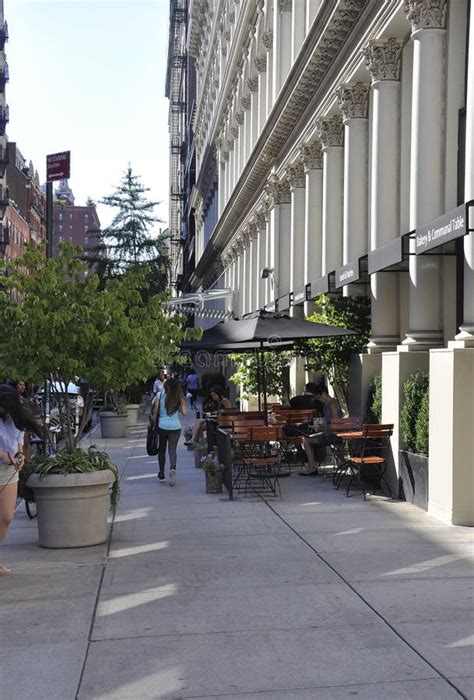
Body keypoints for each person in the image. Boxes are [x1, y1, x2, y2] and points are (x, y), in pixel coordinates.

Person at [0, 384, 45, 575]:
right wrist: (3, 455)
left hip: (8, 469)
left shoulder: (17, 418)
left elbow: (19, 441)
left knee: (7, 517)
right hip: (4, 462)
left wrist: (20, 455)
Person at [150, 377, 187, 486]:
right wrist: (181, 405)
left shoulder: (159, 395)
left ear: (166, 386)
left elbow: (155, 413)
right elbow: (185, 413)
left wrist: (153, 425)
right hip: (175, 427)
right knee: (172, 450)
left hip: (162, 426)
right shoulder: (179, 398)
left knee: (162, 450)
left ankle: (161, 474)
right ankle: (173, 469)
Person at [302, 385, 343, 475]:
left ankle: (312, 467)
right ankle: (312, 465)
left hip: (332, 435)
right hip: (328, 433)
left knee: (306, 440)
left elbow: (336, 423)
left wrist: (323, 428)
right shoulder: (328, 405)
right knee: (308, 437)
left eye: (319, 397)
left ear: (324, 394)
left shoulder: (332, 404)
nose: (320, 400)